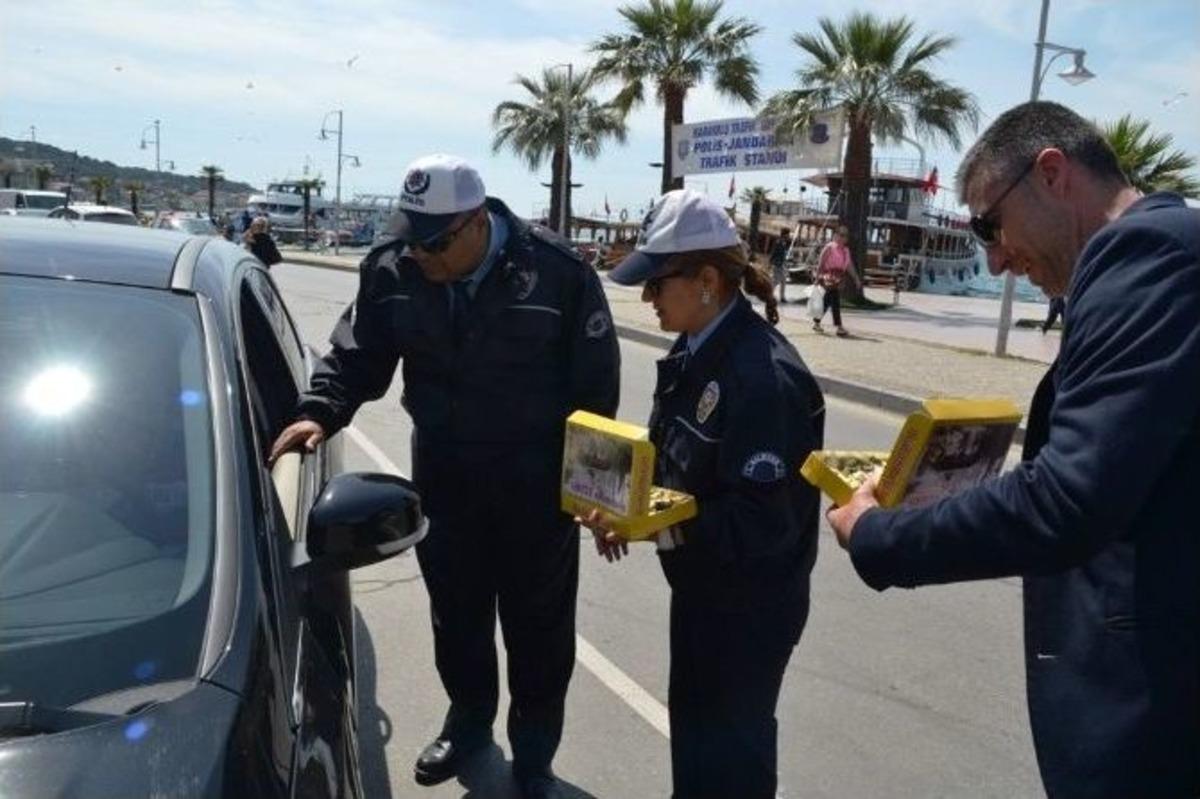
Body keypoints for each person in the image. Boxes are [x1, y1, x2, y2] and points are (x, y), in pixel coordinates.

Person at [826, 101, 1200, 798]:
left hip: (1156, 725)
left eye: (989, 224)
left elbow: (1067, 499)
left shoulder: (1145, 253)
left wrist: (882, 533)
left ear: (1052, 173)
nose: (994, 259)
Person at [268, 154, 620, 799]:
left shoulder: (556, 273)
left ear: (476, 222)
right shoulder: (394, 267)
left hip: (536, 486)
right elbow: (357, 355)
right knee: (456, 615)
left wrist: (596, 496)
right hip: (447, 474)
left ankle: (535, 757)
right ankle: (469, 724)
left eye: (434, 243)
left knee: (538, 629)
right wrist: (318, 411)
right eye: (412, 238)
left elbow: (596, 396)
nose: (420, 255)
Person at [581, 189, 825, 799]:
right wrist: (622, 503)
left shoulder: (763, 379)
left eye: (657, 283)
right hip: (701, 587)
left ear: (708, 281)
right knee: (695, 741)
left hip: (747, 607)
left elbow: (762, 523)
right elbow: (670, 456)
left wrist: (652, 524)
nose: (648, 298)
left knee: (732, 760)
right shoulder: (696, 345)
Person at [812, 225, 851, 336]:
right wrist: (817, 279)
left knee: (829, 301)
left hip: (838, 279)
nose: (843, 238)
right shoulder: (829, 247)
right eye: (841, 235)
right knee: (834, 302)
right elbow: (821, 263)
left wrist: (856, 279)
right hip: (828, 278)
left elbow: (849, 266)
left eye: (845, 236)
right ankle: (839, 327)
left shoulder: (846, 250)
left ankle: (817, 322)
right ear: (835, 235)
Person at [769, 227, 792, 303]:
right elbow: (774, 253)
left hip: (781, 264)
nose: (789, 236)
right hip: (778, 264)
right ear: (785, 234)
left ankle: (782, 297)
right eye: (788, 234)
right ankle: (770, 294)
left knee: (783, 280)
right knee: (776, 280)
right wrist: (771, 262)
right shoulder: (778, 242)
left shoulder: (783, 243)